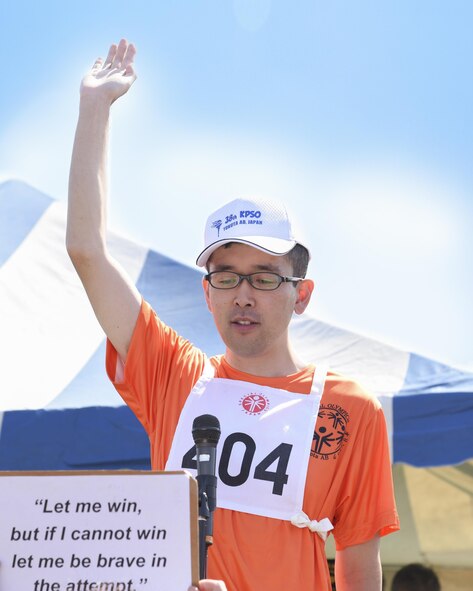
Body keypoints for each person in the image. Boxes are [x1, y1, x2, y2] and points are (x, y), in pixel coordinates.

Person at [67, 39, 400, 591]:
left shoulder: (352, 409)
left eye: (265, 277)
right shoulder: (174, 375)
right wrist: (94, 108)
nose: (242, 295)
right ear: (207, 294)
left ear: (303, 293)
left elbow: (361, 569)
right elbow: (86, 251)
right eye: (226, 277)